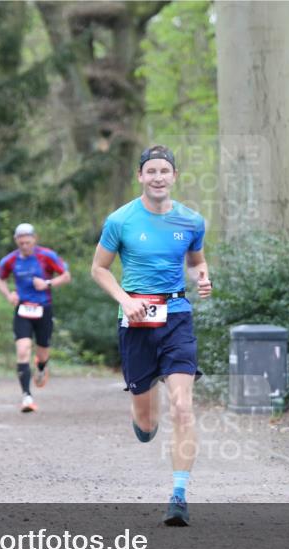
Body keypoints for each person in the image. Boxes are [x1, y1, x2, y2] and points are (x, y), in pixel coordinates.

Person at [91, 145, 212, 526]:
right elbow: (99, 269)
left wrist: (203, 278)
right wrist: (125, 300)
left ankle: (179, 495)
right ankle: (143, 416)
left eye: (165, 170)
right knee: (147, 423)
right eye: (151, 171)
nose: (158, 177)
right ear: (140, 177)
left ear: (175, 176)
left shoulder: (192, 221)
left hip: (176, 317)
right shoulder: (121, 220)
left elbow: (196, 262)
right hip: (137, 321)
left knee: (182, 407)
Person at [0, 223, 71, 412]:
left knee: (43, 350)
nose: (25, 246)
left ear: (34, 239)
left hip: (43, 309)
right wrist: (8, 295)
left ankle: (42, 366)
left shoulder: (47, 256)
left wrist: (47, 283)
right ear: (16, 241)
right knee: (22, 350)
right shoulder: (10, 260)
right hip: (22, 310)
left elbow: (66, 276)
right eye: (21, 243)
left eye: (28, 242)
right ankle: (27, 397)